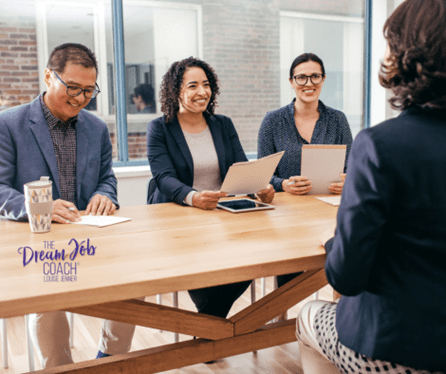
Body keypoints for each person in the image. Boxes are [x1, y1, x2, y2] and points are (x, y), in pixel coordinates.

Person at [296, 0, 446, 373]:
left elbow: (346, 277)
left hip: (398, 348)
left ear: (408, 55)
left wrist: (337, 244)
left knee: (307, 317)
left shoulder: (381, 144)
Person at [96, 57, 275, 359]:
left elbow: (239, 167)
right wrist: (194, 197)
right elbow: (163, 177)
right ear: (175, 91)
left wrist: (258, 185)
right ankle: (213, 331)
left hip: (223, 216)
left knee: (256, 256)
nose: (201, 91)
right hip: (178, 218)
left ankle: (208, 327)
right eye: (192, 85)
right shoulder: (160, 128)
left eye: (206, 85)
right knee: (198, 268)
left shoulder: (223, 124)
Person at [0, 43, 118, 368]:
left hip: (91, 239)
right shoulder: (9, 124)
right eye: (73, 88)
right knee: (50, 296)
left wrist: (105, 194)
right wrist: (39, 208)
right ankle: (60, 367)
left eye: (89, 91)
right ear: (48, 76)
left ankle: (110, 359)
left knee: (134, 287)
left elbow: (108, 178)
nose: (80, 99)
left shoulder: (95, 128)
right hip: (39, 244)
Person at [258, 53, 353, 290]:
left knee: (339, 268)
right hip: (286, 214)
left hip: (328, 212)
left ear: (323, 80)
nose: (308, 83)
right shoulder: (272, 121)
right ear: (291, 81)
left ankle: (333, 319)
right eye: (301, 78)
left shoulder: (338, 120)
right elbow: (262, 175)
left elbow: (353, 168)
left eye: (315, 77)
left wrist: (347, 181)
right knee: (288, 277)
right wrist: (283, 184)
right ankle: (280, 321)